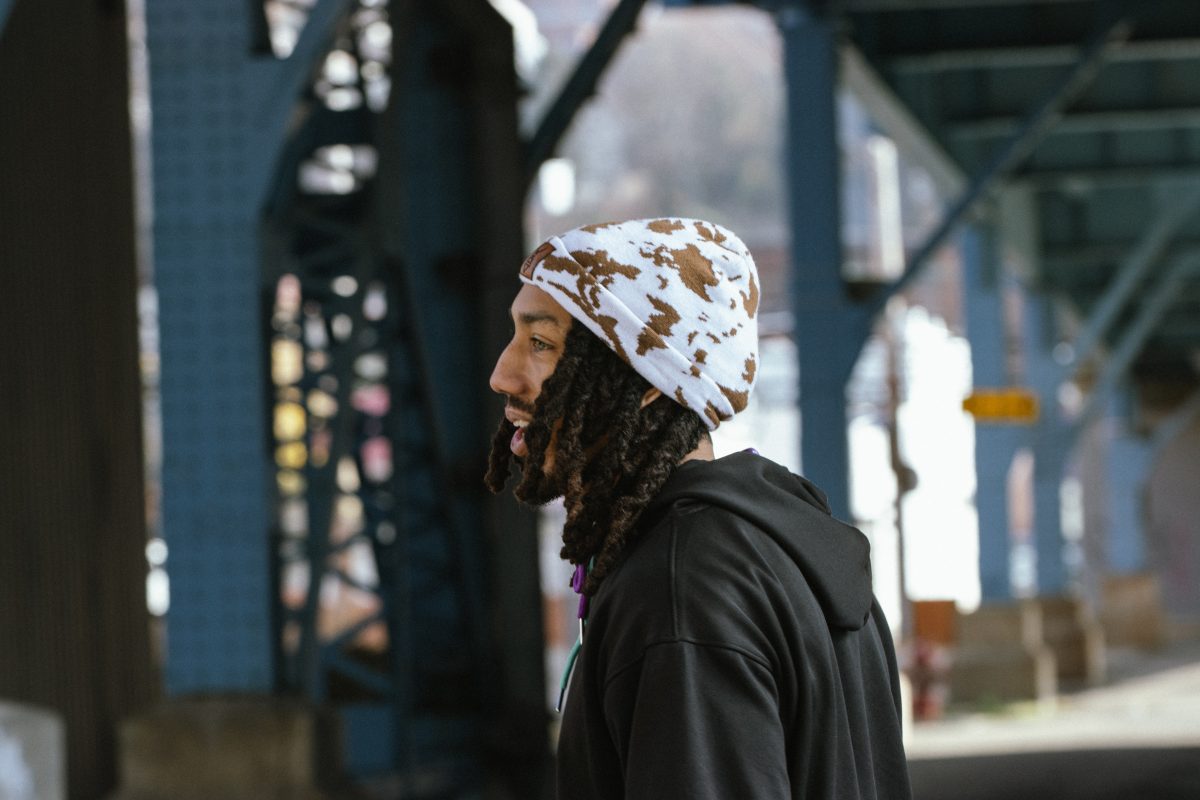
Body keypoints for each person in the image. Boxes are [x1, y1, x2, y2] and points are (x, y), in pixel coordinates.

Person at [486, 218, 911, 799]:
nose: (502, 375)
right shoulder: (776, 549)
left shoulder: (680, 588)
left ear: (647, 377)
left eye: (541, 344)